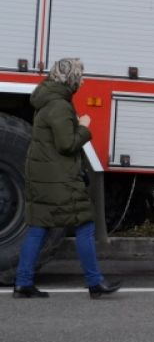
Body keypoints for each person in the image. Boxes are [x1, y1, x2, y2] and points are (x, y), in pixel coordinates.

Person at [14, 58, 121, 299]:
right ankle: (95, 282)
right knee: (85, 224)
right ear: (70, 78)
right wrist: (84, 127)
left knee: (38, 226)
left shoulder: (46, 100)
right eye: (80, 76)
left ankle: (23, 282)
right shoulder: (60, 105)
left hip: (45, 175)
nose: (82, 81)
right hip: (59, 177)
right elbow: (67, 144)